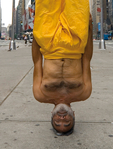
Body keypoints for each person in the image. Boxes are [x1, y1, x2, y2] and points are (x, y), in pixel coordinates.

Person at [32, 0, 93, 135]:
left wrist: (36, 29)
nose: (62, 118)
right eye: (67, 122)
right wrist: (89, 26)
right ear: (73, 116)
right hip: (75, 43)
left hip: (48, 43)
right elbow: (87, 59)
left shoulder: (40, 94)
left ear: (52, 117)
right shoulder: (84, 93)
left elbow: (37, 61)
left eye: (57, 122)